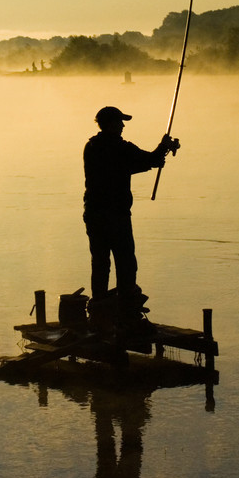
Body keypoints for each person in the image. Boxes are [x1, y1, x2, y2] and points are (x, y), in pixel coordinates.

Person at [83, 106, 179, 323]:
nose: (123, 126)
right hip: (116, 215)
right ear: (111, 125)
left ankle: (98, 310)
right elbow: (150, 159)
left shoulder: (92, 147)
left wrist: (157, 156)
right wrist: (163, 147)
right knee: (126, 261)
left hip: (94, 214)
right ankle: (127, 312)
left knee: (100, 263)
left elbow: (123, 167)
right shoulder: (120, 147)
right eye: (120, 122)